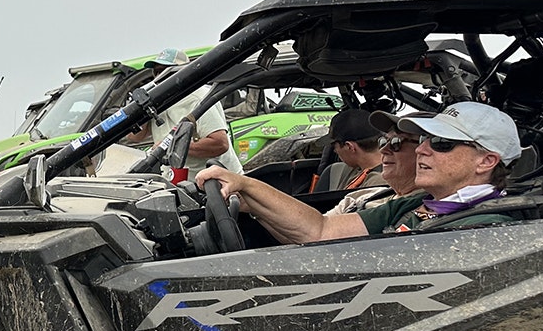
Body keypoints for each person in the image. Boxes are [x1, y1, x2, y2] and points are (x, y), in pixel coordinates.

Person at [193, 101, 523, 244]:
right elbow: (320, 231)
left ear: (486, 162)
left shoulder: (487, 229)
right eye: (422, 140)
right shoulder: (418, 203)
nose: (421, 149)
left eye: (440, 143)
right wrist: (247, 189)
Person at [132, 48, 245, 175]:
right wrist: (141, 112)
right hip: (181, 181)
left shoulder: (199, 98)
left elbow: (220, 144)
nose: (160, 77)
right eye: (157, 72)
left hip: (219, 183)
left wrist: (171, 146)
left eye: (165, 71)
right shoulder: (156, 101)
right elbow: (135, 137)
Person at [323, 113, 421, 216]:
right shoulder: (368, 195)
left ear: (350, 146)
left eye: (396, 142)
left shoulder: (379, 185)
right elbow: (322, 226)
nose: (383, 149)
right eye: (384, 141)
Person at [314, 108, 386, 192]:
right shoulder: (357, 171)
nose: (335, 151)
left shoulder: (377, 183)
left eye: (334, 146)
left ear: (349, 146)